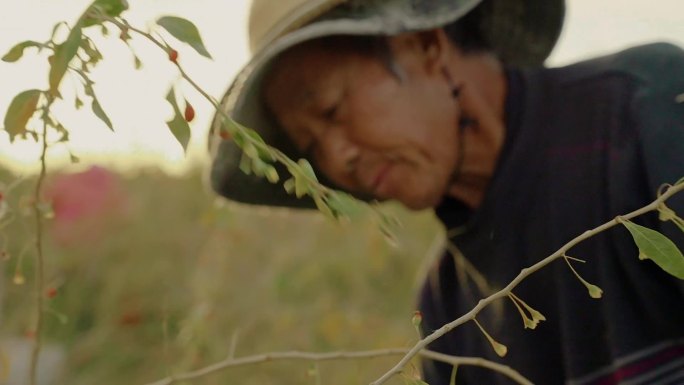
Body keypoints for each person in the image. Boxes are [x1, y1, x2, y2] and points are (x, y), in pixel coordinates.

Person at [208, 0, 684, 383]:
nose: (335, 159)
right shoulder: (448, 311)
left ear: (424, 45)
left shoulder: (647, 110)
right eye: (311, 149)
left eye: (332, 110)